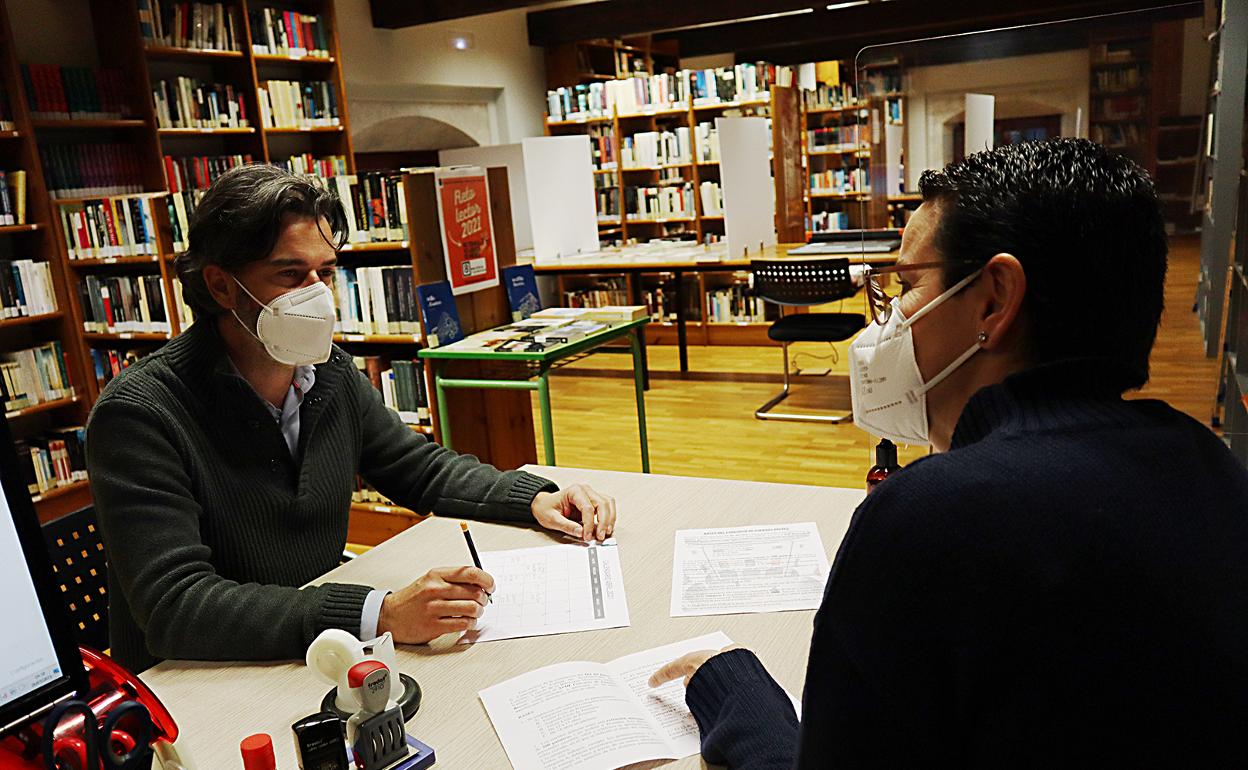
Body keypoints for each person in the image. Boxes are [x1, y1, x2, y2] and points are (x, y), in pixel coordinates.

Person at [650, 138, 1248, 766]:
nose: (887, 321)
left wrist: (733, 691)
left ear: (994, 299)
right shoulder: (1212, 470)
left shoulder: (932, 519)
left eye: (906, 287)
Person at [87, 164, 617, 673]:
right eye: (291, 274)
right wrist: (379, 613)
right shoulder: (141, 414)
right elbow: (176, 607)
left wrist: (534, 498)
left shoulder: (328, 373)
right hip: (193, 682)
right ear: (222, 287)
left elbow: (418, 467)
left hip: (310, 653)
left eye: (326, 273)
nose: (317, 295)